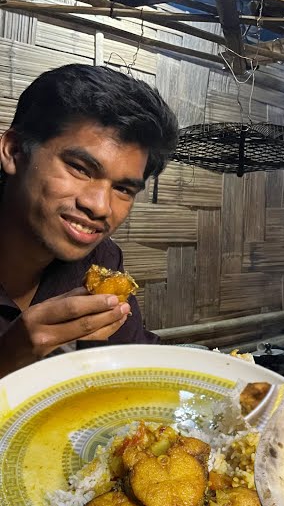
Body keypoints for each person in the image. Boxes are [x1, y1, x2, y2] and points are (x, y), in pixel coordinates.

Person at [0, 64, 178, 378]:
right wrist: (7, 359)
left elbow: (132, 365)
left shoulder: (101, 261)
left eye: (123, 189)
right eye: (80, 168)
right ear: (14, 151)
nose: (99, 206)